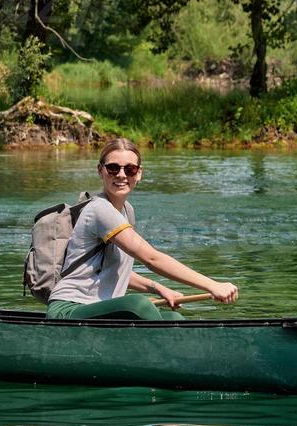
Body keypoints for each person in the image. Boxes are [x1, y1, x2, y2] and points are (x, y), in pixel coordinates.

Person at [47, 137, 238, 321]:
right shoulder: (100, 209)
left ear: (138, 173)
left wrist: (157, 287)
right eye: (113, 168)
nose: (122, 175)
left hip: (98, 312)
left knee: (173, 316)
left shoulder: (126, 211)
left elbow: (117, 270)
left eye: (130, 169)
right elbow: (151, 258)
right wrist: (212, 285)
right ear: (100, 171)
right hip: (69, 309)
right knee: (138, 304)